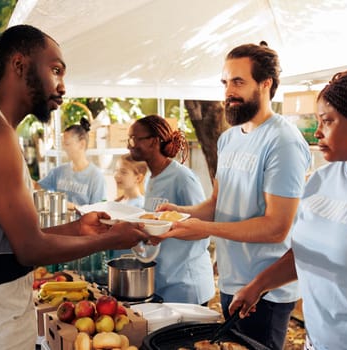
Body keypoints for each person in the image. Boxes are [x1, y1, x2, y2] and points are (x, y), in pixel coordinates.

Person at [0, 25, 148, 349]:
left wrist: (79, 229)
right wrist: (112, 239)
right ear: (19, 65)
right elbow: (30, 249)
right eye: (56, 70)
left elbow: (8, 239)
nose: (62, 86)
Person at [156, 43, 311, 349]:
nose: (228, 92)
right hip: (229, 282)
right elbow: (217, 205)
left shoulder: (283, 142)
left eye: (238, 82)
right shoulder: (228, 139)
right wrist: (178, 213)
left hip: (266, 290)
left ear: (265, 84)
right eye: (225, 82)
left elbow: (277, 226)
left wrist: (206, 230)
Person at [229, 66, 347, 350]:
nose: (317, 132)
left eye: (327, 121)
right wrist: (259, 286)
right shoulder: (320, 180)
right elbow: (308, 252)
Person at [127, 115, 215, 304]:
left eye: (134, 139)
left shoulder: (182, 178)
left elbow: (203, 228)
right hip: (165, 281)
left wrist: (167, 232)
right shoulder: (152, 178)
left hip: (187, 283)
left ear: (154, 142)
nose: (129, 145)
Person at [38, 117, 106, 209]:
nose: (64, 148)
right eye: (63, 144)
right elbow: (37, 186)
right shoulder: (59, 172)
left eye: (67, 144)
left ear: (82, 144)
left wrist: (68, 206)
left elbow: (98, 212)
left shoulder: (96, 177)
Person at [110, 153, 148, 258]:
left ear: (138, 178)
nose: (116, 175)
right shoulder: (118, 202)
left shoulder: (141, 207)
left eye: (123, 172)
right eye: (116, 170)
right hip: (116, 261)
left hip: (132, 264)